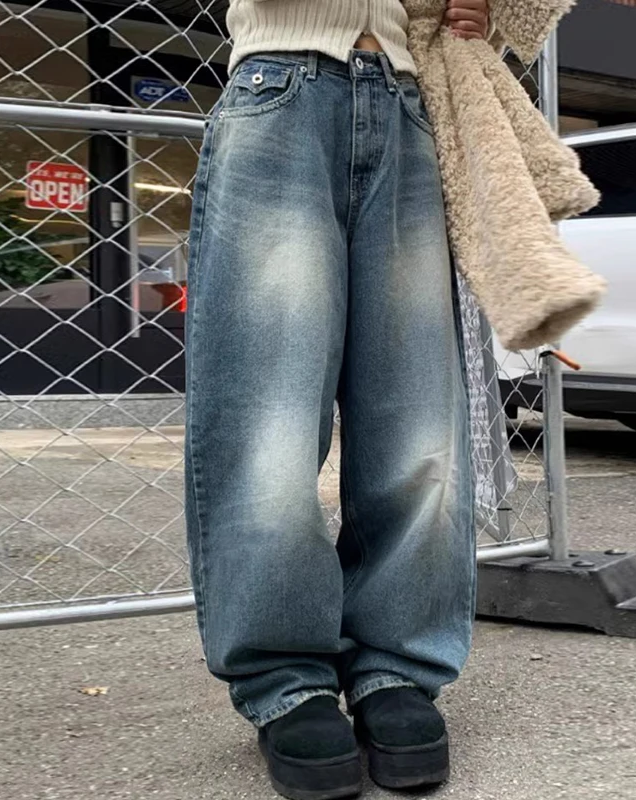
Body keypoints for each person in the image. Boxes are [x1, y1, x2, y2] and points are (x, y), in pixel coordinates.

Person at [185, 2, 490, 798]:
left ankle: (399, 668)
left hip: (412, 100)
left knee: (418, 420)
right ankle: (287, 679)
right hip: (280, 86)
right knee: (267, 418)